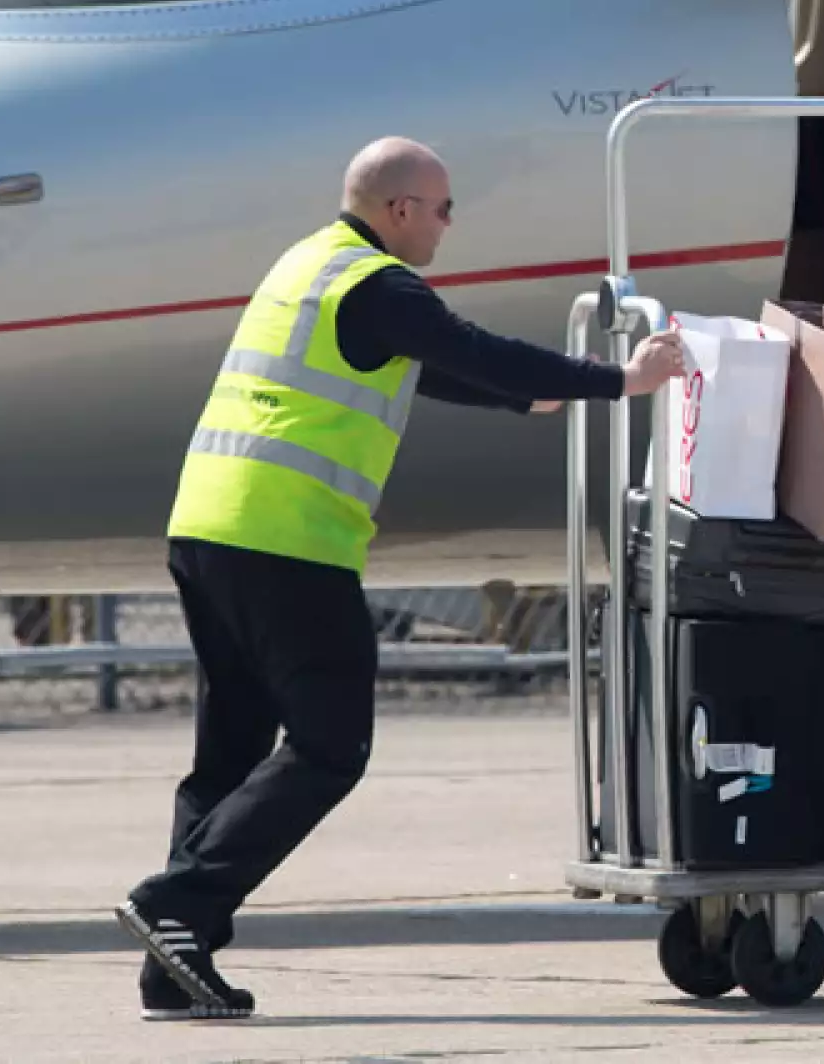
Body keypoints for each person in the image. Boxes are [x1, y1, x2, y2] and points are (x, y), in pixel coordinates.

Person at [113, 137, 684, 1020]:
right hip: (288, 542)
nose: (451, 225)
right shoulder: (379, 284)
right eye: (444, 208)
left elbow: (426, 368)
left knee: (229, 752)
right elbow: (469, 348)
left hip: (206, 529)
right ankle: (175, 903)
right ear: (400, 210)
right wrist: (621, 379)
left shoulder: (309, 265)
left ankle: (174, 957)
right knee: (331, 744)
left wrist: (536, 394)